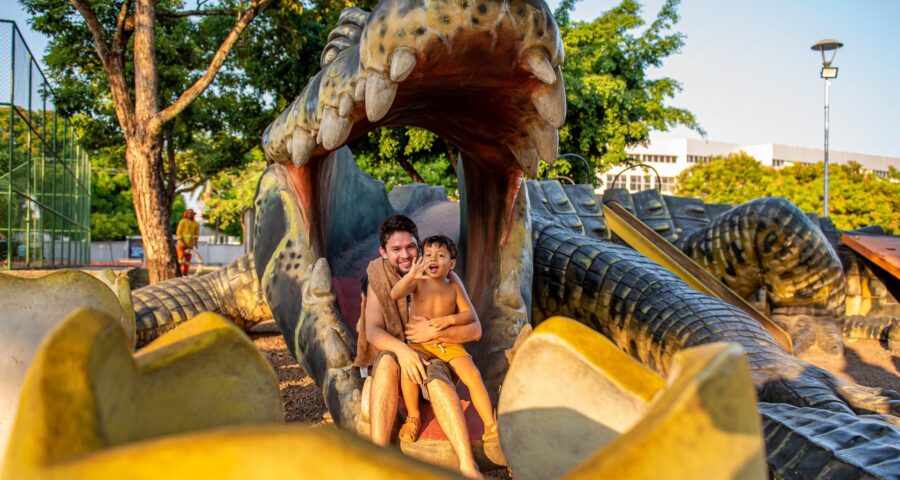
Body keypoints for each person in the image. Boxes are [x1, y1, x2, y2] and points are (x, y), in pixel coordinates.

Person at [355, 215, 485, 479]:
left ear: (419, 244)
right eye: (396, 249)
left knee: (437, 377)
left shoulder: (442, 274)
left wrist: (437, 328)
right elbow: (372, 330)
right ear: (383, 252)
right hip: (397, 349)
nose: (405, 255)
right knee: (390, 361)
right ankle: (377, 459)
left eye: (411, 246)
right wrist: (404, 351)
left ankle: (467, 465)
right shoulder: (378, 277)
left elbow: (475, 330)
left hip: (435, 348)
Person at [390, 235, 496, 446]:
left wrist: (448, 319)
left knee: (472, 374)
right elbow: (395, 293)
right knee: (410, 370)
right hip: (420, 343)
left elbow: (467, 315)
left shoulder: (454, 286)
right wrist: (410, 276)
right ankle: (414, 416)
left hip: (448, 344)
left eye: (440, 255)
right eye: (428, 254)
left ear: (452, 264)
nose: (433, 259)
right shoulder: (419, 282)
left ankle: (490, 424)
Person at [176, 209, 199, 276]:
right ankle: (177, 273)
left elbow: (196, 234)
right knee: (179, 259)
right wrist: (181, 242)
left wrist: (195, 242)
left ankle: (185, 273)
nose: (190, 214)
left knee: (187, 261)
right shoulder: (182, 222)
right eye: (189, 213)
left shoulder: (196, 224)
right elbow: (178, 232)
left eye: (192, 213)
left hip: (190, 245)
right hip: (181, 245)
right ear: (186, 214)